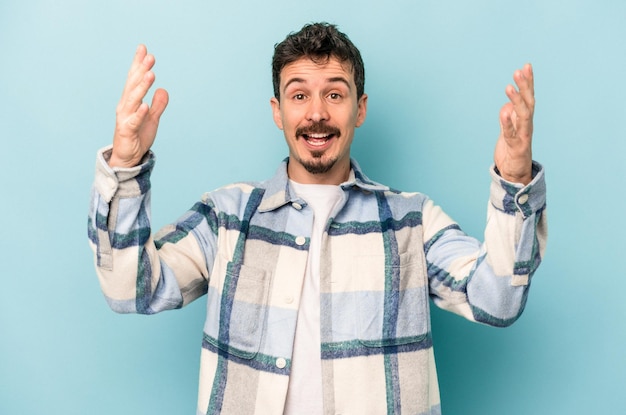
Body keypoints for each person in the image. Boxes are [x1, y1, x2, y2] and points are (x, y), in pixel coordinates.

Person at [88, 22, 547, 415]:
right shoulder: (225, 216)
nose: (317, 113)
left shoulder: (413, 221)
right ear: (278, 112)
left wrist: (513, 177)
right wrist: (126, 167)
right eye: (299, 95)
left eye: (334, 94)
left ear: (359, 109)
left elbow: (498, 300)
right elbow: (130, 289)